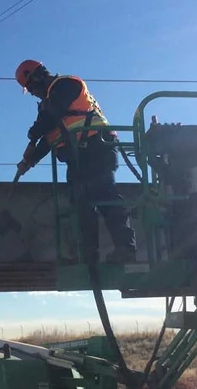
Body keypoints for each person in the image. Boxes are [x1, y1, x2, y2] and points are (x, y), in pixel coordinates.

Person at [13, 60, 137, 263]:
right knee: (81, 203)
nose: (33, 93)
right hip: (78, 157)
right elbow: (49, 136)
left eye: (31, 88)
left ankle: (125, 248)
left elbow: (50, 118)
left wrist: (32, 134)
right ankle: (89, 255)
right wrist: (30, 160)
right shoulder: (49, 101)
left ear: (37, 78)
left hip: (97, 147)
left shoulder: (66, 85)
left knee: (105, 196)